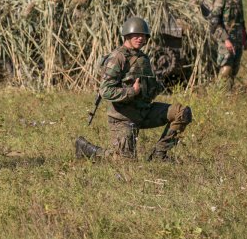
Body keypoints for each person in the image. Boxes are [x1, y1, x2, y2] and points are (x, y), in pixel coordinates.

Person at [75, 16, 192, 161]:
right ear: (127, 36)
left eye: (143, 35)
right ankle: (87, 149)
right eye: (136, 35)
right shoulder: (117, 58)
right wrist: (132, 91)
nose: (140, 38)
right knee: (126, 161)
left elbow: (148, 88)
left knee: (182, 112)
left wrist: (156, 85)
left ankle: (159, 155)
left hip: (144, 111)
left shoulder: (143, 58)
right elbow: (105, 90)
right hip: (123, 118)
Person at [209, 0, 247, 90]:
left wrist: (245, 38)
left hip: (237, 38)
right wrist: (225, 39)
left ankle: (229, 93)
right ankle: (217, 92)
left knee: (234, 69)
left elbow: (241, 22)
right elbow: (214, 21)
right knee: (226, 67)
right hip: (225, 37)